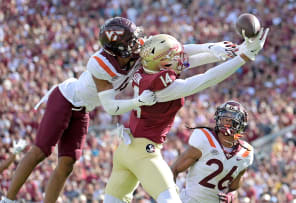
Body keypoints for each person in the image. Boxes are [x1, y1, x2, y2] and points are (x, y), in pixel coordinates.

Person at [0, 16, 241, 203]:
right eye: (130, 42)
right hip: (65, 98)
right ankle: (7, 198)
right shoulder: (101, 64)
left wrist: (212, 48)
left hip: (84, 108)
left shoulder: (136, 49)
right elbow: (111, 107)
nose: (138, 44)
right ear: (117, 49)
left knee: (68, 163)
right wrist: (139, 102)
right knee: (41, 151)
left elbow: (174, 52)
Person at [104, 29, 268, 203]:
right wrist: (243, 57)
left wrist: (217, 49)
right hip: (144, 153)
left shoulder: (145, 67)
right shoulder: (161, 89)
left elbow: (183, 54)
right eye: (173, 57)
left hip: (125, 150)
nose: (180, 57)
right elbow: (206, 78)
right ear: (163, 65)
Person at [172, 101, 254, 203]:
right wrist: (170, 198)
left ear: (241, 125)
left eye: (232, 120)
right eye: (224, 118)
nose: (227, 123)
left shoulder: (245, 153)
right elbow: (174, 170)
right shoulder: (205, 139)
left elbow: (234, 188)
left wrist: (232, 196)